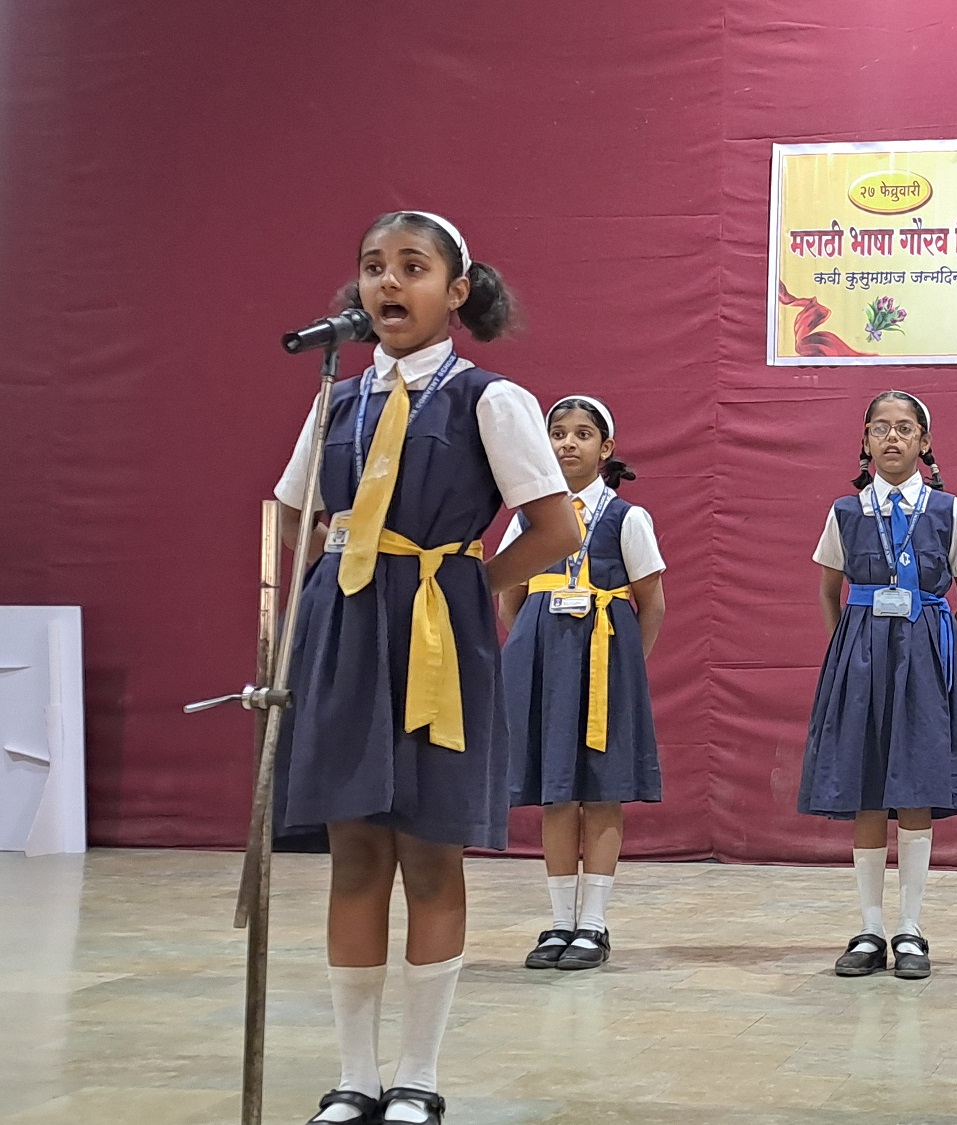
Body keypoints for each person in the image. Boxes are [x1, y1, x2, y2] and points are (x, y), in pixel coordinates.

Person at [272, 211, 579, 1124]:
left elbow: (556, 528)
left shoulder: (489, 399)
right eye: (373, 267)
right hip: (346, 631)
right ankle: (353, 1075)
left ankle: (417, 1075)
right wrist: (325, 582)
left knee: (430, 850)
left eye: (413, 266)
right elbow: (290, 510)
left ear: (457, 291)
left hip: (438, 634)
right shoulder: (337, 397)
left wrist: (467, 581)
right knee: (354, 850)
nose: (388, 283)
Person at [800, 391, 957, 980]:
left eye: (904, 428)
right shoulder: (845, 512)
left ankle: (910, 927)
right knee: (867, 790)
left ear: (923, 442)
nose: (892, 438)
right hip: (861, 661)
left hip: (925, 662)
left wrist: (939, 644)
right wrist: (851, 649)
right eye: (880, 428)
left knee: (914, 789)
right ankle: (869, 928)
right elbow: (829, 592)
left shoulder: (949, 510)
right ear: (864, 439)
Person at [499, 395, 666, 972]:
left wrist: (626, 666)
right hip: (546, 668)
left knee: (601, 790)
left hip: (605, 667)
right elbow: (510, 597)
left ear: (606, 448)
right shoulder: (528, 519)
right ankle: (559, 920)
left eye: (582, 434)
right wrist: (534, 649)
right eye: (558, 434)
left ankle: (593, 922)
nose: (568, 443)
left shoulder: (627, 518)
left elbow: (652, 603)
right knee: (557, 792)